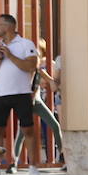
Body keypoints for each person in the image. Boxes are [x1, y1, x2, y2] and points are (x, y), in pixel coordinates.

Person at [0, 14, 42, 175]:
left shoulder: (26, 44)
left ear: (9, 26)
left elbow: (31, 66)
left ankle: (33, 166)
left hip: (22, 93)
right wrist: (0, 57)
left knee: (28, 129)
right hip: (1, 94)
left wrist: (11, 56)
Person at [11, 39, 63, 168]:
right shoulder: (23, 71)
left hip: (37, 102)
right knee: (21, 133)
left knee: (55, 126)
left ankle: (63, 155)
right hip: (25, 103)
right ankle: (14, 162)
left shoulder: (40, 71)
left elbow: (52, 84)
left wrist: (51, 81)